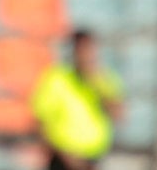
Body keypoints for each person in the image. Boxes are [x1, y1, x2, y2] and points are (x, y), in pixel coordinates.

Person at [31, 29, 124, 170]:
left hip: (93, 159)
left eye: (89, 50)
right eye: (81, 50)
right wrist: (65, 154)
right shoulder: (57, 79)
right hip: (62, 160)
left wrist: (96, 84)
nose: (85, 56)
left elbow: (117, 115)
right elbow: (40, 121)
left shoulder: (104, 79)